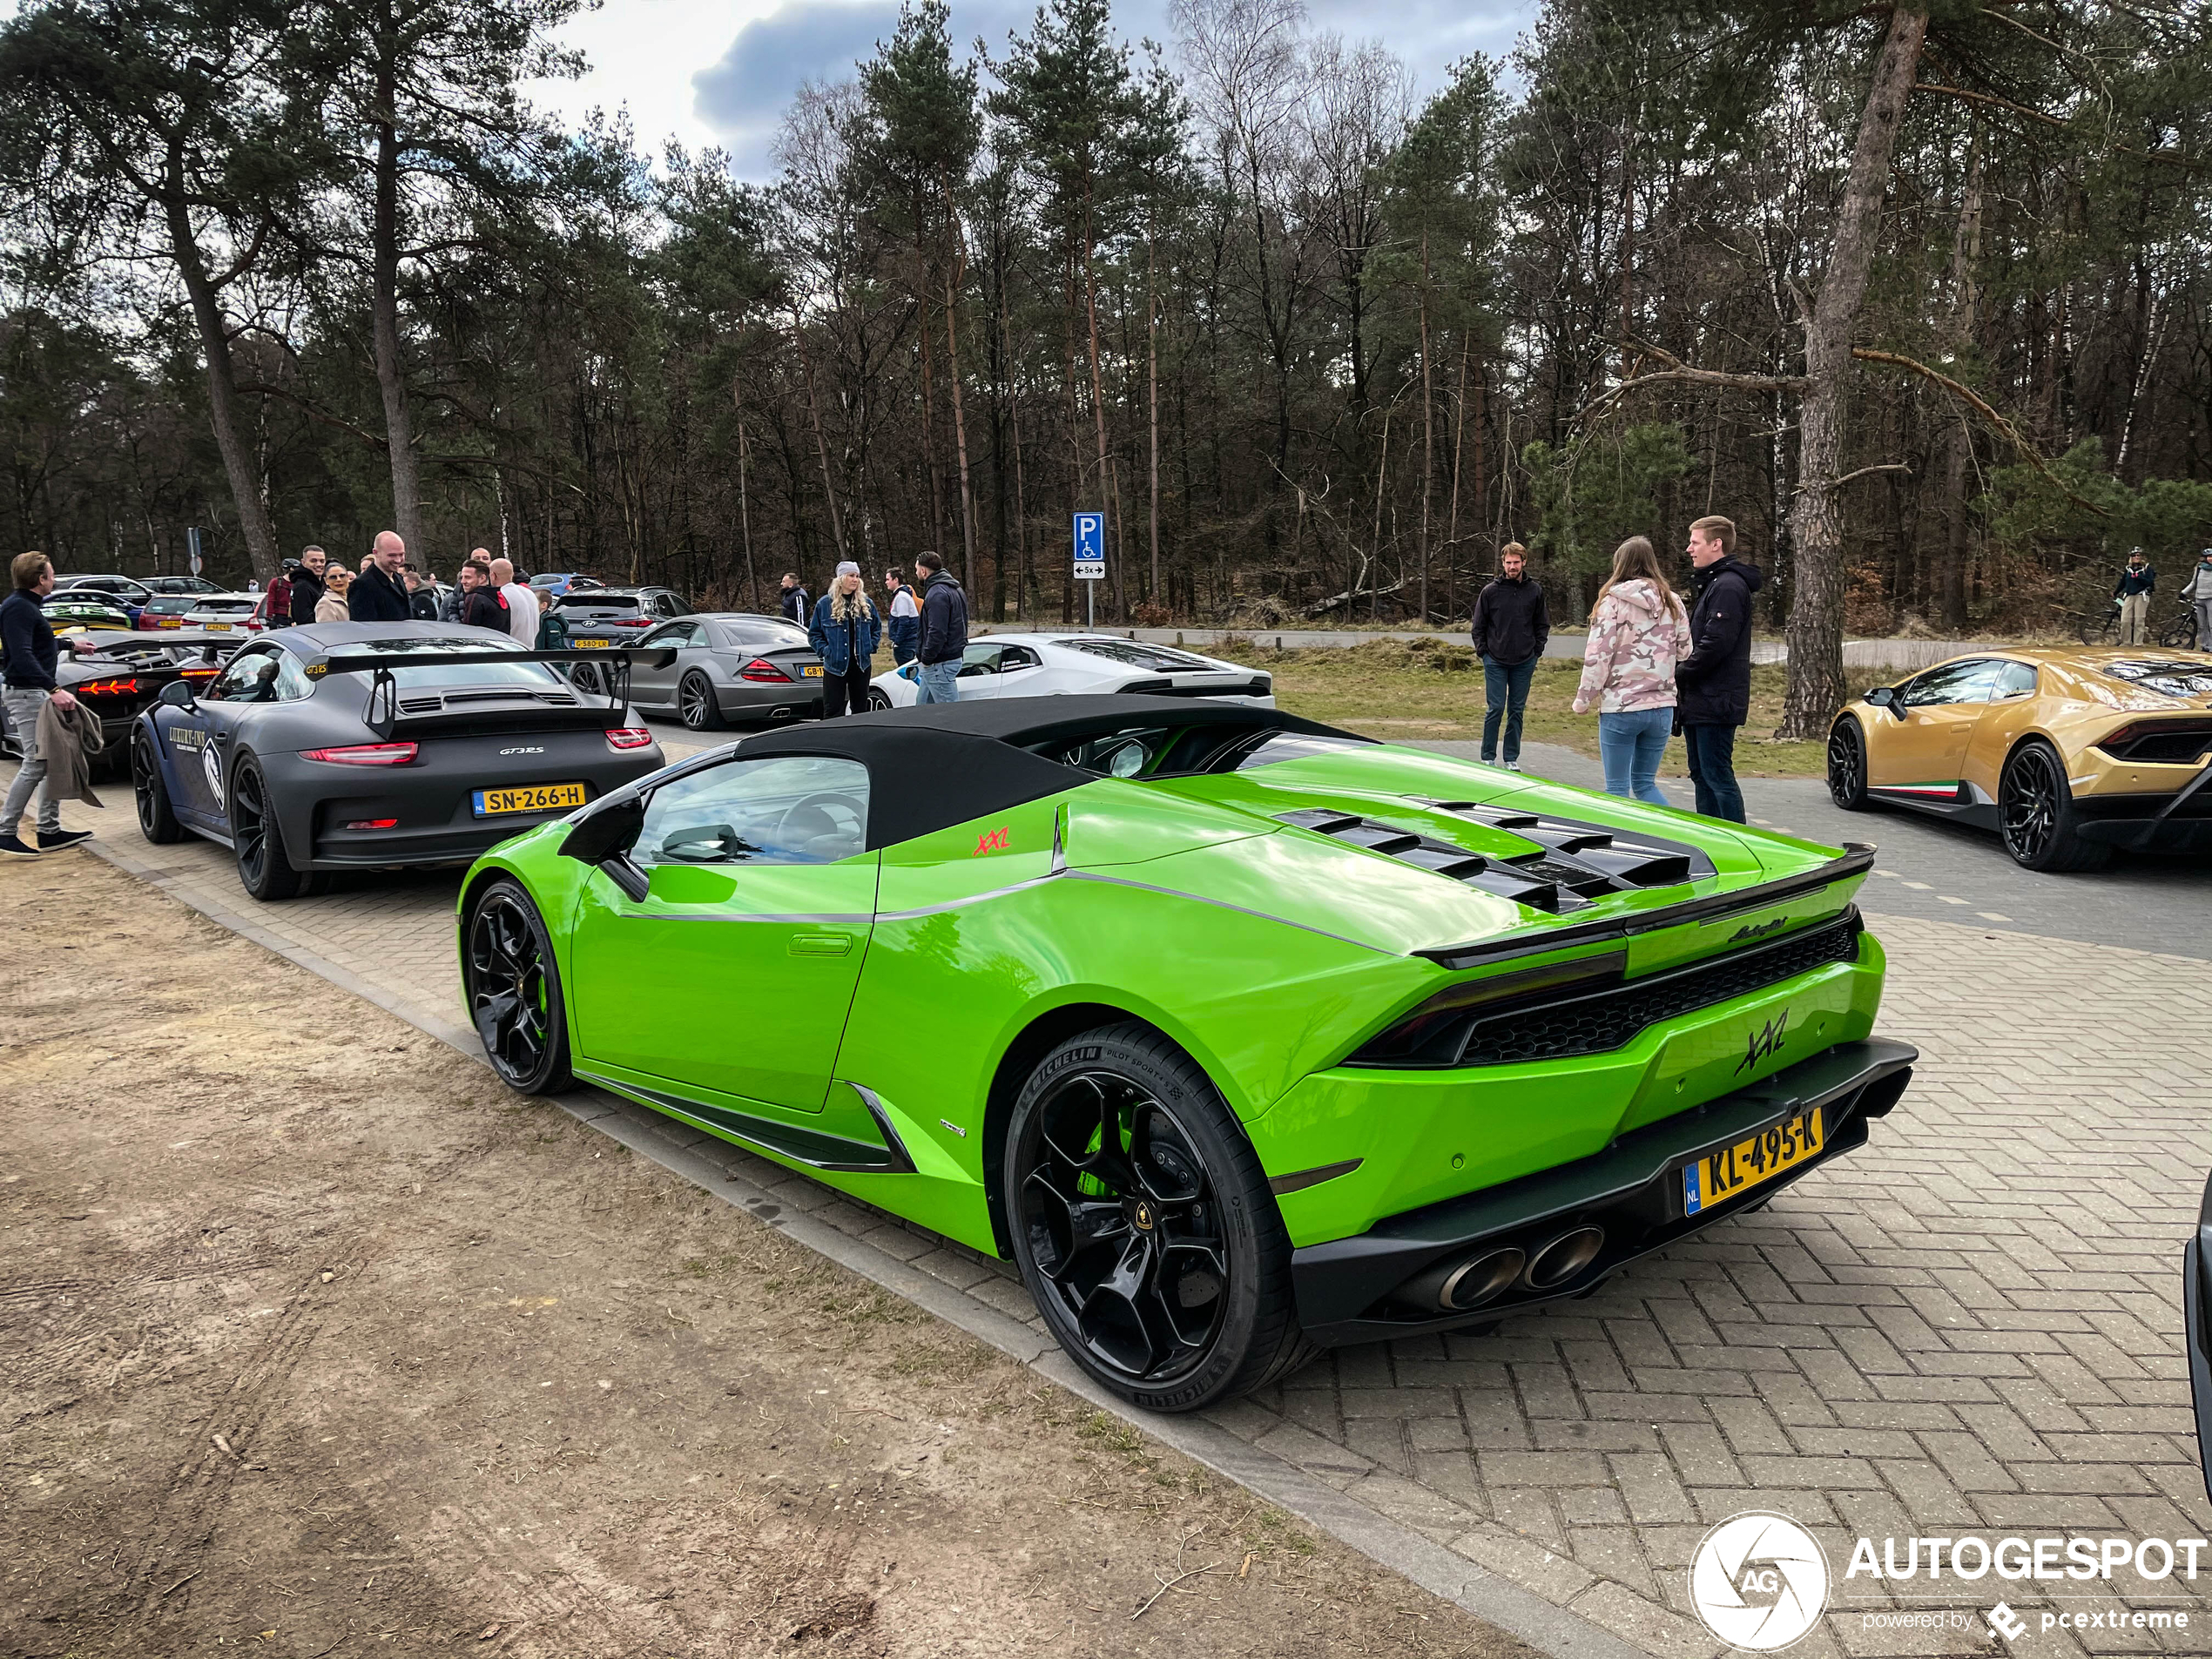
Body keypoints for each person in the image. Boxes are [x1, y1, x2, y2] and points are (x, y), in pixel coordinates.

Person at [1570, 536, 1691, 805]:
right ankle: (1670, 839)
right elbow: (1685, 651)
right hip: (1661, 706)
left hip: (1622, 706)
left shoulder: (1612, 602)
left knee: (1616, 788)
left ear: (1620, 564)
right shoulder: (1673, 602)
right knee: (1646, 784)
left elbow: (1598, 655)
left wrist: (1584, 698)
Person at [1, 552, 97, 857]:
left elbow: (37, 644)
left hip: (34, 692)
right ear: (40, 579)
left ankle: (49, 831)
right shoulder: (19, 609)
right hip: (28, 694)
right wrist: (54, 689)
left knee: (51, 759)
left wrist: (69, 644)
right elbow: (22, 654)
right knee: (36, 762)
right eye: (51, 574)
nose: (54, 579)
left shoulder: (26, 607)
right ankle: (5, 831)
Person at [1675, 515, 1763, 825]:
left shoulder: (1728, 586)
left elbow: (1716, 643)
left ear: (1716, 544)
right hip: (1701, 698)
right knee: (1701, 774)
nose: (1689, 549)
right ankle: (1711, 837)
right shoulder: (1714, 583)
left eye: (1695, 542)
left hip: (1717, 698)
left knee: (1717, 775)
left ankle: (1738, 842)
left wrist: (1681, 672)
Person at [1469, 542, 1549, 772]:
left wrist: (1537, 651)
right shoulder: (1490, 592)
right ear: (1502, 563)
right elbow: (1478, 626)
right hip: (1495, 659)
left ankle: (1511, 758)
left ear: (1523, 562)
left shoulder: (1535, 591)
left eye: (1516, 562)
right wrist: (1483, 652)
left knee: (1517, 709)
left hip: (1524, 661)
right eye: (1508, 563)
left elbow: (1542, 624)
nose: (1512, 567)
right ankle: (1487, 756)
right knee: (1495, 707)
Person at [809, 562, 883, 718]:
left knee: (860, 710)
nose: (855, 579)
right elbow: (814, 634)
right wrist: (826, 651)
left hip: (861, 665)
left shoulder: (866, 604)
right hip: (835, 666)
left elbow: (876, 628)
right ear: (841, 578)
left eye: (857, 576)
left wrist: (870, 646)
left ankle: (859, 739)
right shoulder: (825, 604)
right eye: (851, 575)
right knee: (833, 710)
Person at [914, 551, 967, 705]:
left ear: (923, 571)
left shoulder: (937, 594)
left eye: (916, 569)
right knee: (923, 707)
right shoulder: (954, 589)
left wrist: (927, 659)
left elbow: (937, 631)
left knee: (947, 716)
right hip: (943, 661)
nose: (916, 573)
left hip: (939, 663)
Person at [349, 531, 412, 622]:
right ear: (376, 553)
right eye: (392, 555)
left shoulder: (398, 578)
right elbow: (364, 627)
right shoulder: (362, 584)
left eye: (401, 554)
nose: (398, 560)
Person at [489, 555, 538, 647]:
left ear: (493, 575)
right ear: (512, 574)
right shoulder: (529, 593)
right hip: (529, 650)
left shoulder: (500, 595)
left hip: (510, 650)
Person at [2114, 549, 2156, 645]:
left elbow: (2150, 581)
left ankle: (2138, 644)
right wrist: (2116, 592)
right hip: (2129, 595)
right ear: (2131, 558)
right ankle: (2126, 643)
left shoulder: (2147, 568)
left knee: (2139, 620)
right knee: (2125, 620)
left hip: (2141, 596)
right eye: (2134, 556)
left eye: (2138, 555)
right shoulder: (2128, 569)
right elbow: (2123, 582)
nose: (2136, 557)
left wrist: (2138, 576)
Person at [455, 559, 509, 632]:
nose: (462, 581)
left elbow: (469, 631)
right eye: (462, 577)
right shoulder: (499, 596)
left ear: (482, 578)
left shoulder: (474, 598)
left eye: (468, 577)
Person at [884, 569, 921, 665]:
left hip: (905, 644)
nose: (886, 582)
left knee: (905, 671)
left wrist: (898, 642)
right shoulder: (903, 595)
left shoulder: (901, 597)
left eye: (888, 579)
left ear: (895, 580)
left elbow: (904, 622)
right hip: (907, 642)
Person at [289, 546, 327, 625]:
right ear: (303, 562)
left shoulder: (324, 583)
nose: (319, 564)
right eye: (313, 561)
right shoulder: (302, 587)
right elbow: (305, 620)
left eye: (322, 561)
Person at [2183, 549, 2212, 651]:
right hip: (2199, 599)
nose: (2210, 559)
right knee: (2202, 625)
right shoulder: (2199, 568)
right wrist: (2183, 592)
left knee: (2211, 625)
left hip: (2211, 599)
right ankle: (2204, 646)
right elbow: (2193, 583)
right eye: (2208, 557)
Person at [264, 561, 295, 631]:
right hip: (279, 616)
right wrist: (270, 617)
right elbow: (271, 600)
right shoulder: (276, 582)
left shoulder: (299, 583)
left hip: (295, 617)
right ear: (291, 569)